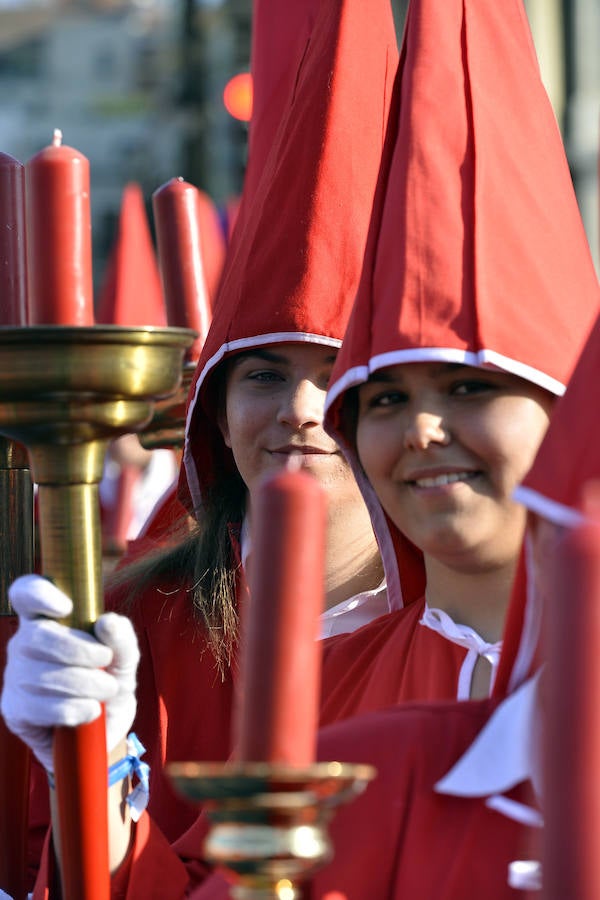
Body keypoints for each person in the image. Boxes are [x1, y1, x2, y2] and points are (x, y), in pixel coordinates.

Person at [1, 0, 399, 889]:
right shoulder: (127, 628)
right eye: (261, 374)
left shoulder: (470, 628)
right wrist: (89, 776)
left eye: (334, 371)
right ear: (213, 412)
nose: (300, 408)